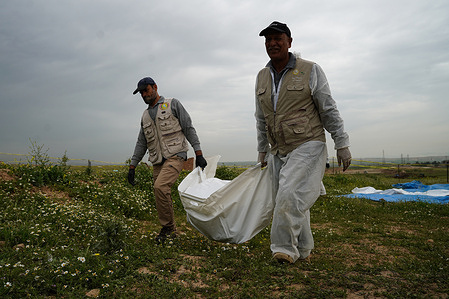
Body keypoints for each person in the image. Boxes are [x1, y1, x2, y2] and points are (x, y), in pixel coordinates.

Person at [255, 21, 352, 264]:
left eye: (278, 39)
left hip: (307, 143)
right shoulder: (262, 77)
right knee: (289, 198)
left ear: (289, 42)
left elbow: (328, 107)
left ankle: (284, 250)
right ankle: (305, 248)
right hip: (278, 149)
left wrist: (341, 142)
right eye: (268, 40)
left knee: (289, 195)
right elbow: (261, 117)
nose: (272, 43)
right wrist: (262, 150)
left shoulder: (310, 69)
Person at [128, 77, 207, 244]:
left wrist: (198, 153)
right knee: (160, 192)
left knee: (160, 186)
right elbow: (141, 143)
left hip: (176, 155)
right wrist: (132, 166)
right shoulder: (145, 116)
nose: (144, 94)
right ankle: (170, 229)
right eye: (141, 92)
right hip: (157, 160)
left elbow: (188, 127)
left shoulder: (172, 104)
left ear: (155, 87)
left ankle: (168, 228)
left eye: (146, 90)